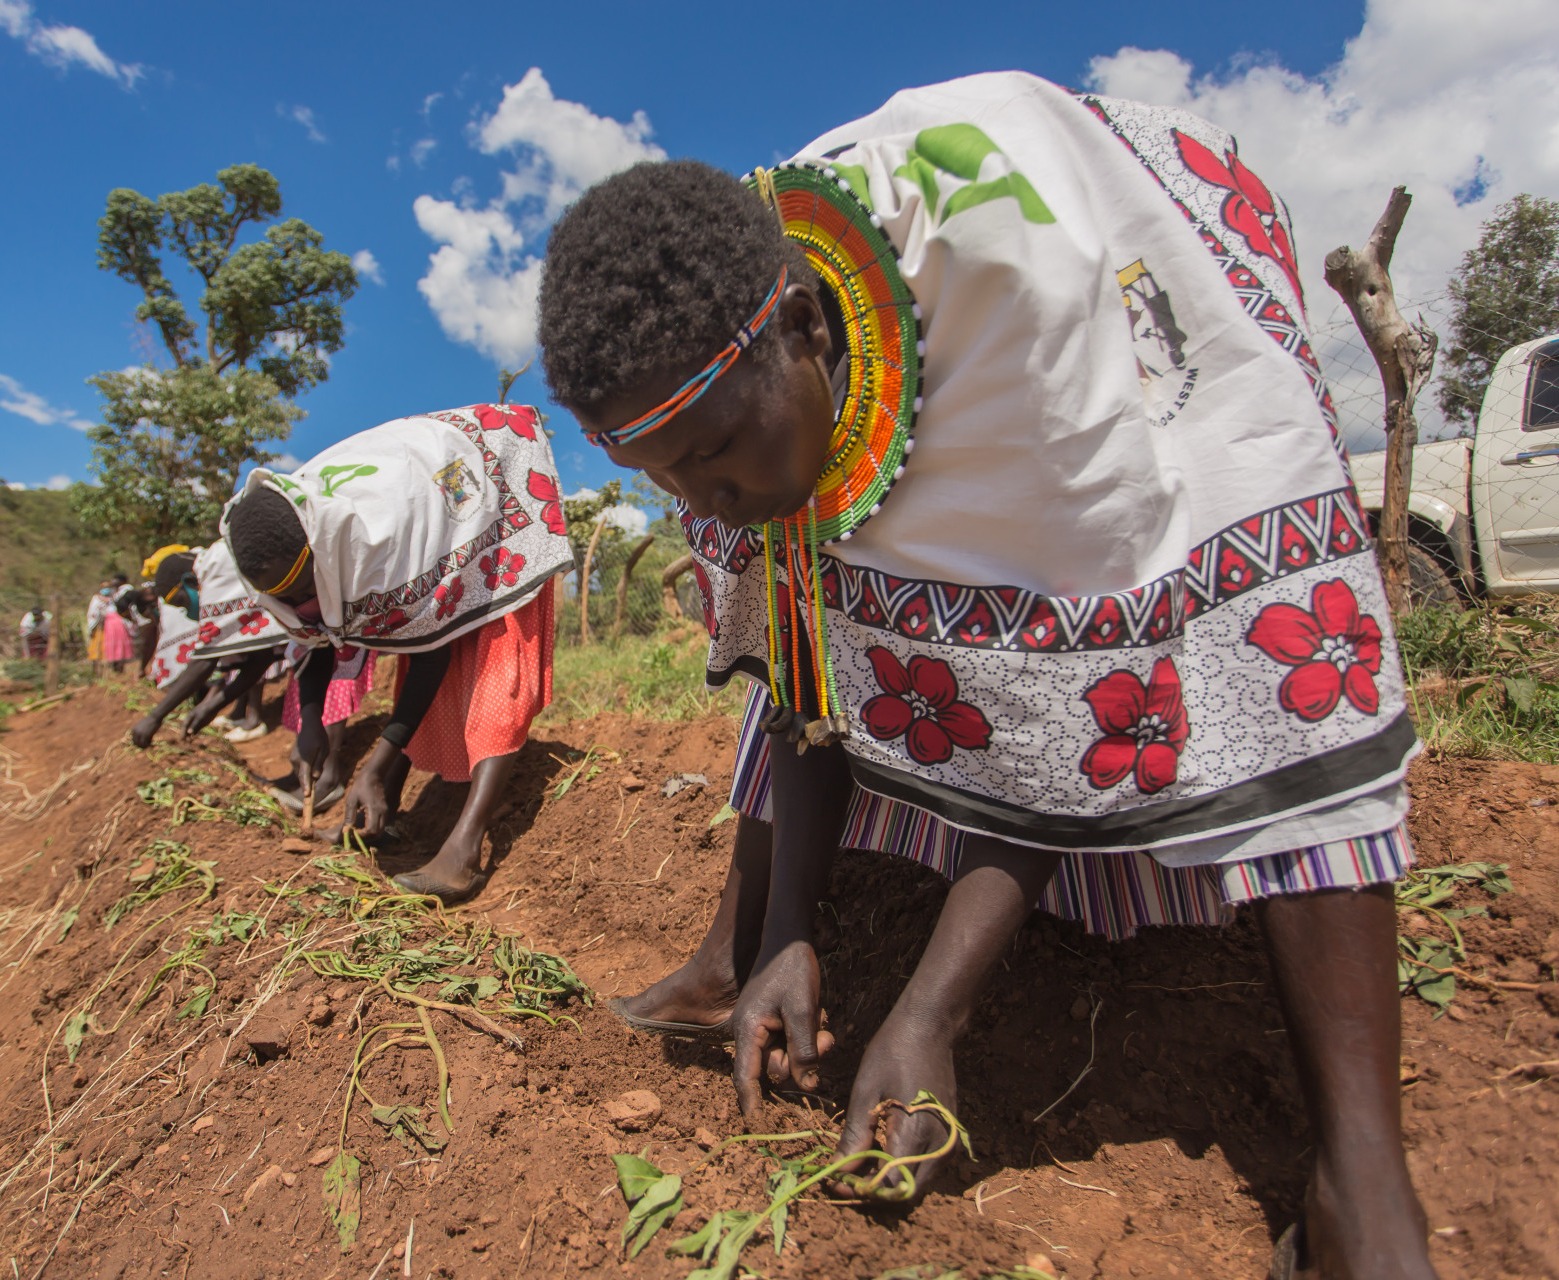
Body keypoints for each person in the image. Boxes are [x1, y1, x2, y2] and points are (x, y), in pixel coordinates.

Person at [536, 74, 1433, 1279]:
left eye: (707, 457)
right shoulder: (717, 385)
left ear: (805, 323)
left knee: (1270, 652)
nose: (704, 501)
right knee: (795, 569)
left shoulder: (1039, 350)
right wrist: (785, 934)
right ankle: (728, 961)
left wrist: (930, 1009)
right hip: (913, 345)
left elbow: (1073, 695)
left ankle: (1361, 1178)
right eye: (666, 477)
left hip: (1134, 298)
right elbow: (804, 657)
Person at [222, 402, 572, 904]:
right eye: (287, 601)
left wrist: (373, 767)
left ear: (321, 557)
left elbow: (433, 658)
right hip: (430, 532)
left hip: (493, 510)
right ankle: (387, 819)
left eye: (305, 590)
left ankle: (464, 851)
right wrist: (311, 726)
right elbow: (318, 640)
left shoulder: (379, 549)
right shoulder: (296, 558)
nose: (301, 607)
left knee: (497, 683)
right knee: (414, 665)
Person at [129, 544, 287, 748]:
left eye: (182, 602)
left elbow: (205, 660)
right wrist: (213, 705)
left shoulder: (217, 576)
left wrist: (155, 717)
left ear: (191, 582)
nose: (187, 611)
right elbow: (260, 659)